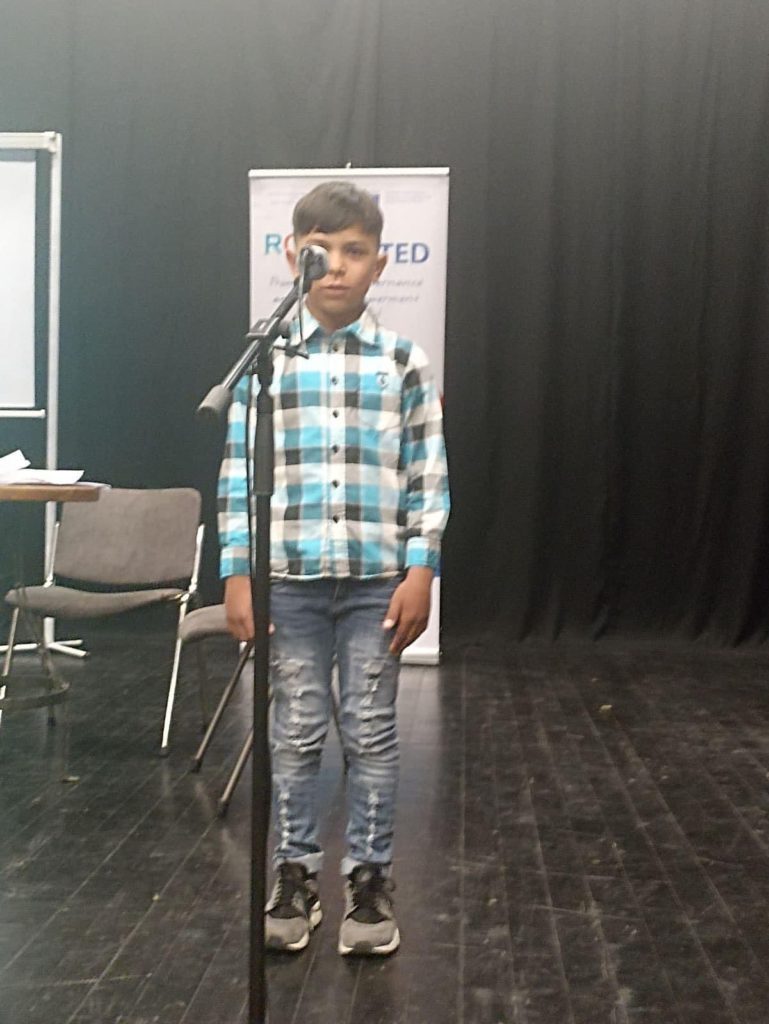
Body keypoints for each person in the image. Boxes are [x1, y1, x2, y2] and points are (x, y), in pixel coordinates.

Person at [218, 181, 450, 956]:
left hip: (376, 580)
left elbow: (427, 474)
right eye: (322, 250)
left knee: (372, 732)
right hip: (289, 579)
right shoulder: (266, 363)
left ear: (380, 264)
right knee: (293, 732)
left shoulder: (402, 361)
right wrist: (238, 571)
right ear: (292, 255)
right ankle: (294, 874)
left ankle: (370, 880)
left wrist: (420, 569)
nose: (338, 266)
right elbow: (238, 475)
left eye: (356, 251)